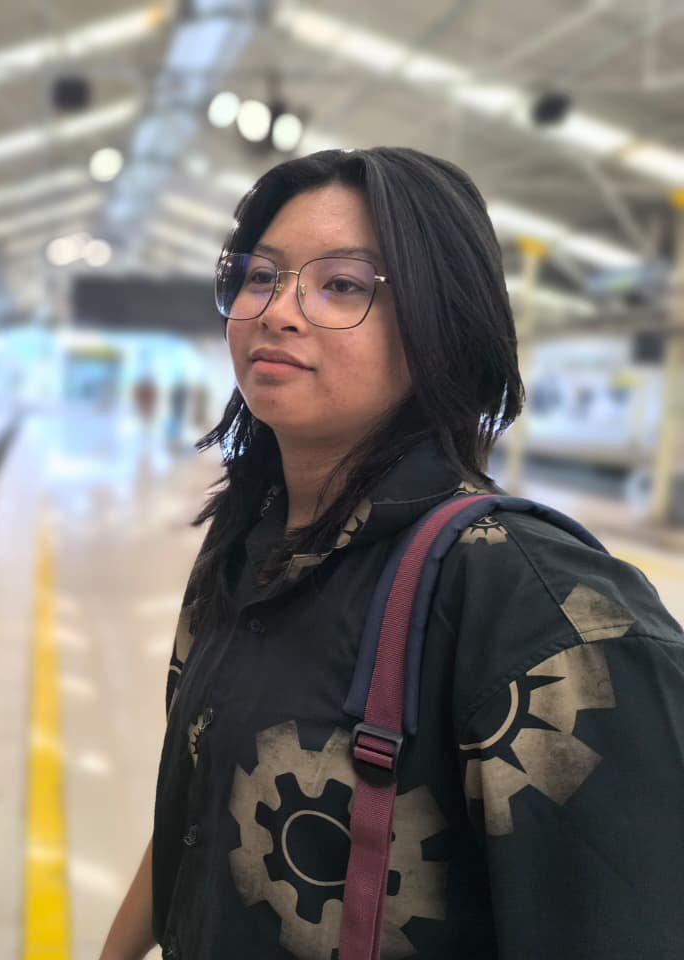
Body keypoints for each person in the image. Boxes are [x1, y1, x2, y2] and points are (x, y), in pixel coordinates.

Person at [100, 147, 684, 960]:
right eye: (261, 276)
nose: (277, 310)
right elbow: (196, 811)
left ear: (441, 324)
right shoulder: (243, 558)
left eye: (341, 285)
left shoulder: (543, 616)